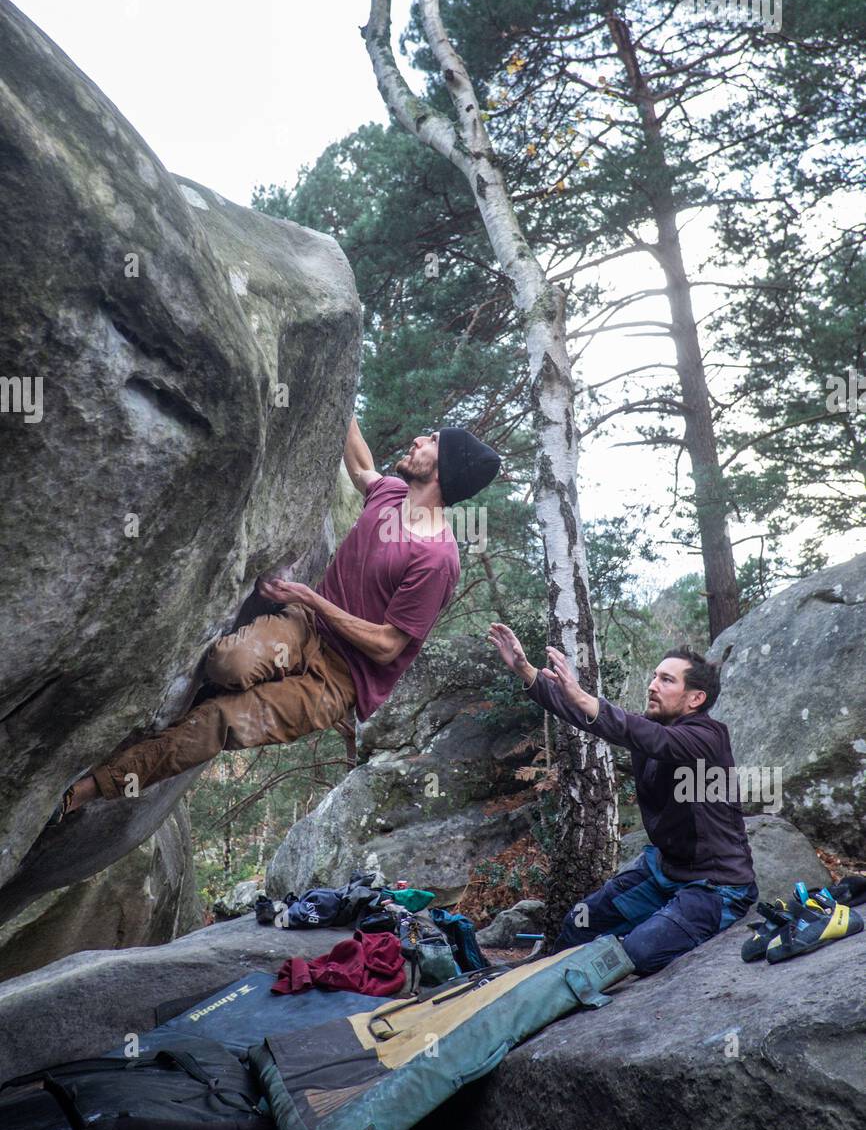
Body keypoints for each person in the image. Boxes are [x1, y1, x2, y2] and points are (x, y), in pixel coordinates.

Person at [56, 418, 500, 820]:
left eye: (433, 441)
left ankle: (98, 785)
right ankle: (177, 722)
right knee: (228, 664)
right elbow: (361, 461)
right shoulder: (389, 493)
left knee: (221, 723)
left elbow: (387, 645)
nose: (419, 438)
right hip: (303, 626)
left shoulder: (437, 559)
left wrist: (309, 595)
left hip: (338, 681)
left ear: (442, 470)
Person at [487, 624, 758, 975]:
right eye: (654, 676)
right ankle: (547, 995)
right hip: (663, 871)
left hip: (716, 887)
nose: (652, 685)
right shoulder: (653, 726)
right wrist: (525, 670)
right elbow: (598, 720)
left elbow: (647, 736)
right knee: (580, 923)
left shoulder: (708, 738)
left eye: (666, 680)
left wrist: (583, 695)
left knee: (639, 953)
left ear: (695, 699)